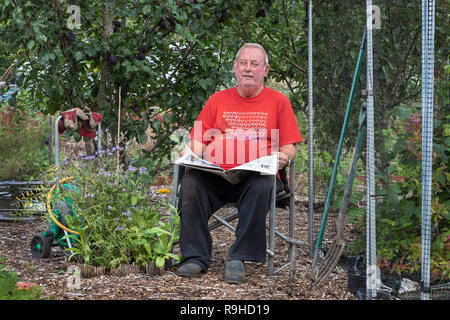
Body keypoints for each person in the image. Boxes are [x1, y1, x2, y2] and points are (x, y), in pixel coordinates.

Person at [175, 43, 302, 283]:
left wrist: (285, 156)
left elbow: (289, 145)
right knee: (191, 181)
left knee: (263, 183)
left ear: (265, 70)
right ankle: (195, 257)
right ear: (234, 68)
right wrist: (189, 153)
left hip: (256, 177)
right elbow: (198, 141)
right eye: (243, 63)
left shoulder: (278, 101)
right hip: (217, 175)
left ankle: (238, 257)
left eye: (255, 64)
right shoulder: (217, 100)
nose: (248, 69)